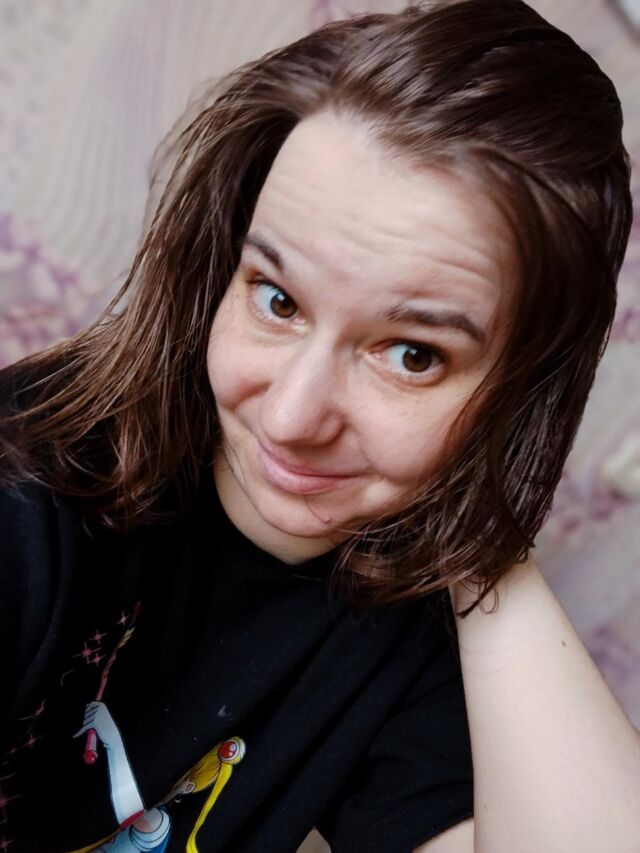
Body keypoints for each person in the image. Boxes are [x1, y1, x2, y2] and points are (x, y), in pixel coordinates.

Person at [1, 0, 639, 850]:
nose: (292, 416)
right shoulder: (31, 482)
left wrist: (491, 520)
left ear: (516, 391)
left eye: (412, 354)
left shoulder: (418, 640)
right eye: (277, 299)